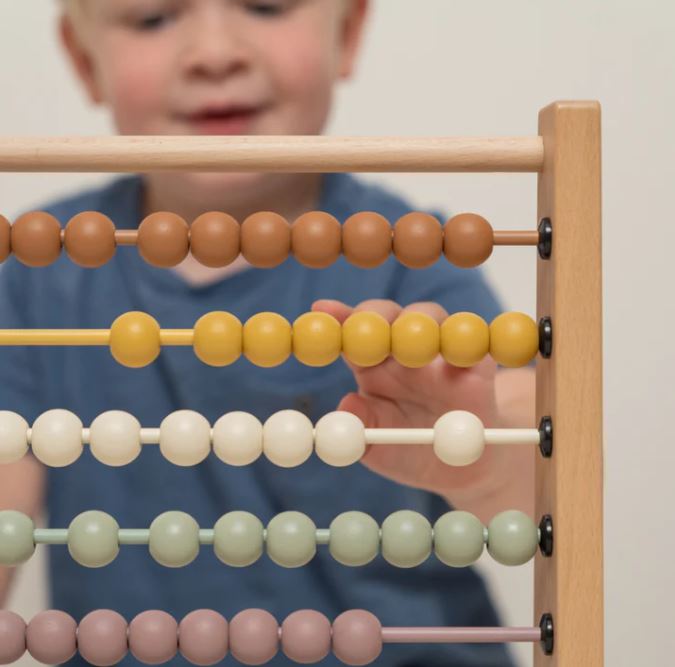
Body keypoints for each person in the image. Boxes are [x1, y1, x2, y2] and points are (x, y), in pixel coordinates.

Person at [0, 1, 535, 664]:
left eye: (266, 5)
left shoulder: (409, 261)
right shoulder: (35, 276)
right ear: (85, 62)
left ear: (350, 32)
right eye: (153, 20)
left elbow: (532, 445)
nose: (214, 52)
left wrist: (478, 457)